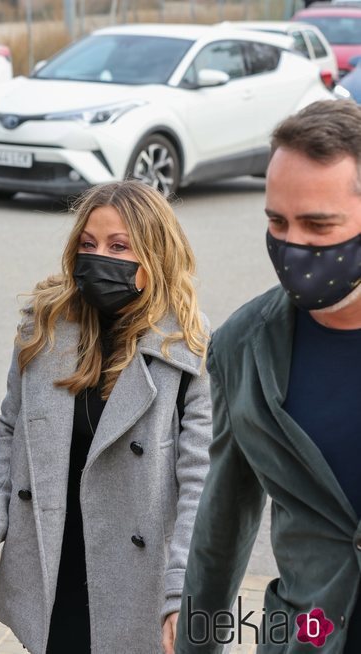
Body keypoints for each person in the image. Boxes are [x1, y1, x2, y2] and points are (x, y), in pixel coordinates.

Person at [0, 180, 213, 654]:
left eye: (118, 246)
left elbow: (200, 479)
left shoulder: (187, 346)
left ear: (154, 257)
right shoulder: (45, 325)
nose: (98, 256)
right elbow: (10, 429)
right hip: (52, 557)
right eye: (88, 244)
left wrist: (183, 590)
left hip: (135, 575)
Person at [177, 100, 361, 653]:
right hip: (309, 634)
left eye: (318, 224)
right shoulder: (243, 346)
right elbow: (222, 522)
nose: (293, 244)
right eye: (277, 222)